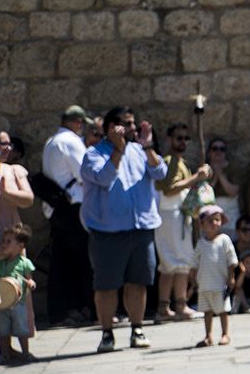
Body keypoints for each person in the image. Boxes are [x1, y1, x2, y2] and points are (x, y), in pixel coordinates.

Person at [80, 106, 167, 352]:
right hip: (108, 231)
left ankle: (137, 329)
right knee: (106, 285)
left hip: (141, 227)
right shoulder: (93, 154)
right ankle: (107, 333)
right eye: (127, 124)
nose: (133, 128)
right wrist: (118, 150)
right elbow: (104, 178)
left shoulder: (139, 150)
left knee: (138, 282)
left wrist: (148, 146)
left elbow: (160, 172)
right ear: (111, 128)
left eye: (133, 123)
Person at [39, 105, 94, 325]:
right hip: (73, 208)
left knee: (62, 263)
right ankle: (92, 307)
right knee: (84, 260)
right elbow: (86, 174)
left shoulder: (51, 142)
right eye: (81, 123)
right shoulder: (71, 142)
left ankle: (63, 310)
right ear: (76, 122)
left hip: (58, 208)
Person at [153, 122, 209, 322]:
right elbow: (170, 188)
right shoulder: (170, 161)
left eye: (186, 138)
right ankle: (179, 305)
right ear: (169, 139)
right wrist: (196, 177)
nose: (183, 141)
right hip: (170, 215)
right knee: (175, 262)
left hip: (177, 215)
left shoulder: (179, 161)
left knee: (174, 263)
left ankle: (167, 306)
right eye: (179, 138)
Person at [192, 206, 237, 348]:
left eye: (217, 220)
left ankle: (225, 334)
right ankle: (208, 335)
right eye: (210, 220)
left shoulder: (224, 240)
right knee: (207, 311)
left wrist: (231, 277)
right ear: (202, 225)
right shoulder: (200, 243)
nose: (214, 223)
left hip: (219, 283)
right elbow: (195, 263)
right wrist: (193, 279)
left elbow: (232, 260)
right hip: (204, 284)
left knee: (222, 310)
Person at [0, 223, 35, 366]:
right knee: (2, 330)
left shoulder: (24, 263)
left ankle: (25, 352)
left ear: (20, 246)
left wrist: (31, 283)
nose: (4, 244)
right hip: (2, 304)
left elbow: (29, 278)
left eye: (8, 242)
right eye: (3, 241)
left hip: (18, 303)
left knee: (21, 329)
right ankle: (4, 354)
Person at [204, 137, 241, 235]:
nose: (218, 152)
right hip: (209, 212)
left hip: (230, 212)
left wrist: (220, 174)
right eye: (215, 149)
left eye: (222, 149)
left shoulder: (233, 168)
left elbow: (233, 192)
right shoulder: (204, 170)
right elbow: (205, 193)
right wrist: (215, 176)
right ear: (209, 152)